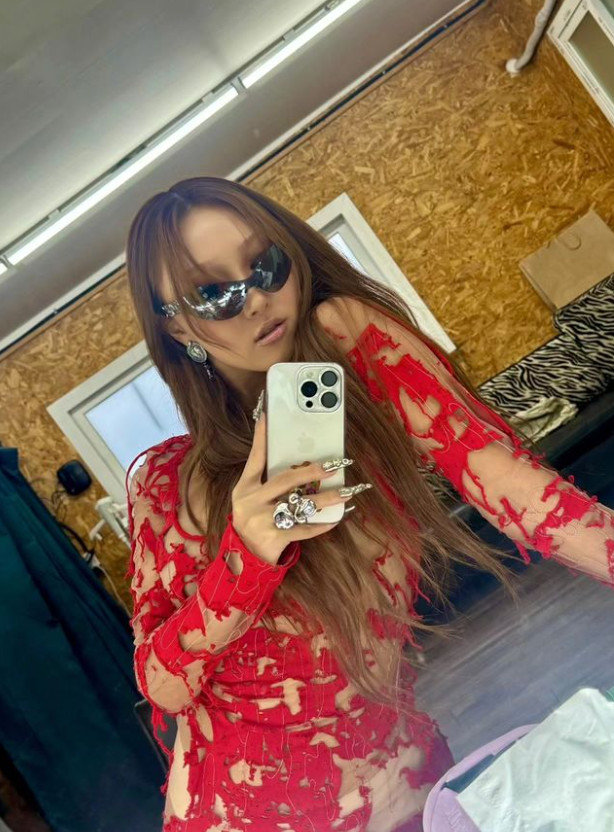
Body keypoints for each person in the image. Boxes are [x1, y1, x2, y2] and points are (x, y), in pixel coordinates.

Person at [124, 176, 614, 832]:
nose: (256, 299)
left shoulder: (353, 348)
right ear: (176, 324)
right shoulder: (165, 482)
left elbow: (528, 499)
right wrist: (246, 556)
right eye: (213, 293)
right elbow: (163, 684)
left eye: (265, 265)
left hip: (407, 794)